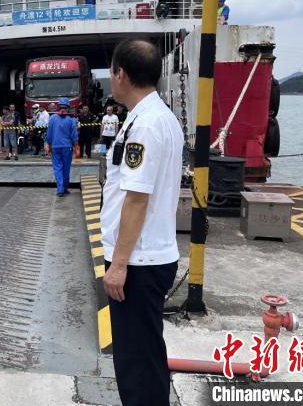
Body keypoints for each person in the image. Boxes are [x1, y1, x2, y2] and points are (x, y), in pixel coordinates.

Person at [101, 40, 183, 406]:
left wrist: (118, 266)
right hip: (144, 257)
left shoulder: (147, 125)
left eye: (111, 72)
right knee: (143, 355)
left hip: (138, 262)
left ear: (122, 74)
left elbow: (136, 199)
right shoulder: (150, 117)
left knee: (137, 362)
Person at [45, 97, 78, 197]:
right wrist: (76, 147)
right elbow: (74, 136)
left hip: (55, 146)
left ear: (58, 107)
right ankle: (65, 187)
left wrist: (49, 145)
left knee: (57, 168)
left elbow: (49, 134)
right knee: (66, 168)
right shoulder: (71, 120)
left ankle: (60, 189)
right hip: (67, 147)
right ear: (68, 107)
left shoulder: (52, 118)